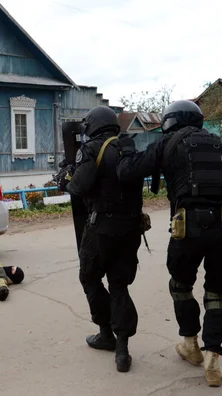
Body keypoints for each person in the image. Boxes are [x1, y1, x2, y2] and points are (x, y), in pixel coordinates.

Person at [116, 100, 222, 387]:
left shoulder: (169, 144)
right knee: (217, 293)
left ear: (170, 121)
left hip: (190, 230)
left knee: (181, 286)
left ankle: (190, 344)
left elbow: (128, 171)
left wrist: (125, 149)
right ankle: (213, 359)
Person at [59, 106, 145, 373]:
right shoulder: (128, 147)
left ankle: (106, 333)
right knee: (119, 284)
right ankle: (122, 350)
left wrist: (66, 177)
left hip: (102, 228)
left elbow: (79, 185)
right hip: (131, 227)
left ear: (93, 126)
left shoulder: (92, 148)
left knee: (90, 277)